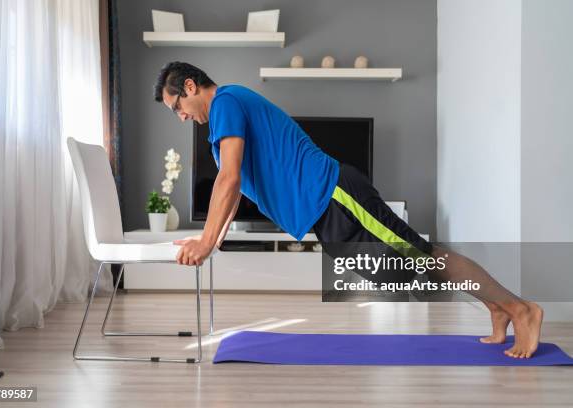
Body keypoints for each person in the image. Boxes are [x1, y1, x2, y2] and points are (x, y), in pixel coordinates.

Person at [153, 61, 543, 359]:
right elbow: (235, 189)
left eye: (177, 107)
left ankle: (520, 309)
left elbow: (229, 180)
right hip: (325, 209)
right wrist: (213, 239)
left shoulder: (225, 102)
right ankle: (499, 308)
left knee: (420, 260)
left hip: (337, 195)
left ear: (190, 86)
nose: (181, 115)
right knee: (403, 270)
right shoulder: (225, 112)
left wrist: (205, 243)